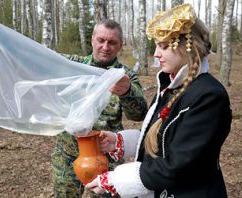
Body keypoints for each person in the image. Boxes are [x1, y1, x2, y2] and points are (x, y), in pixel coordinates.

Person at [0, 9, 148, 197]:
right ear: (92, 40)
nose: (105, 47)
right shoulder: (71, 67)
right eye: (101, 40)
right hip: (67, 155)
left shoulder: (124, 76)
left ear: (120, 46)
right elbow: (32, 56)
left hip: (104, 158)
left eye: (112, 42)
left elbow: (139, 114)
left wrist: (126, 92)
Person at [85, 3, 232, 198]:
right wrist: (119, 141)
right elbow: (166, 138)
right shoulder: (171, 86)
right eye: (156, 46)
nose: (156, 54)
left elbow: (178, 163)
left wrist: (115, 180)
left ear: (186, 46)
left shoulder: (209, 97)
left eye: (163, 46)